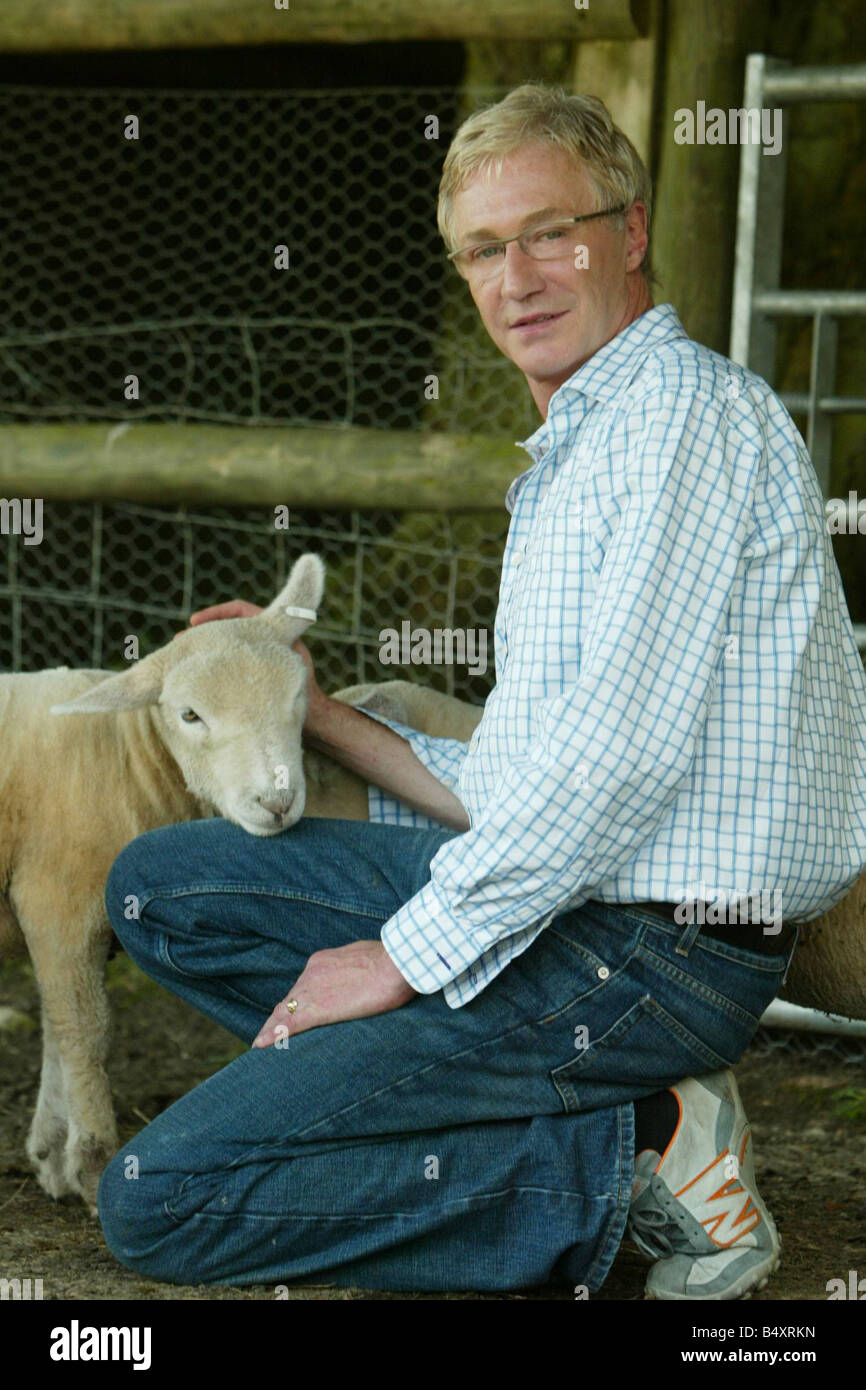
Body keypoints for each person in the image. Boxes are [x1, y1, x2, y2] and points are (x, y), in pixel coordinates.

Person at [98, 83, 866, 1300]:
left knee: (159, 1202)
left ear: (629, 231)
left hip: (656, 960)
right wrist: (315, 704)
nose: (516, 278)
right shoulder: (571, 455)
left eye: (549, 232)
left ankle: (626, 1160)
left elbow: (608, 770)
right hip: (573, 908)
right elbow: (524, 793)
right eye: (482, 249)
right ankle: (615, 1116)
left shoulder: (678, 425)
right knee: (165, 892)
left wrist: (398, 958)